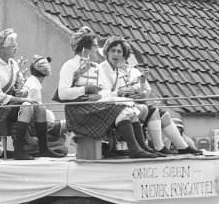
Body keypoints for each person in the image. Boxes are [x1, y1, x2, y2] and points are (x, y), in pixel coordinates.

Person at [57, 26, 157, 159]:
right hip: (79, 109)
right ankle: (134, 149)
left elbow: (104, 92)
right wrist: (85, 89)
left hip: (95, 105)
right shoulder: (69, 65)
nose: (96, 49)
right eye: (94, 46)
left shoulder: (95, 67)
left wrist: (118, 94)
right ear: (85, 48)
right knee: (123, 109)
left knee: (128, 105)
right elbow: (62, 94)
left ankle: (142, 148)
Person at [0, 28, 58, 159]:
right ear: (3, 48)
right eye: (12, 46)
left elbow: (22, 84)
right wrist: (21, 100)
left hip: (8, 104)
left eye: (15, 46)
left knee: (40, 108)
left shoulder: (13, 64)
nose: (16, 48)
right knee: (27, 106)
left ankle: (43, 149)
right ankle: (19, 150)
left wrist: (22, 91)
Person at [22, 55, 66, 156]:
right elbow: (34, 112)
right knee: (68, 125)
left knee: (65, 125)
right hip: (37, 125)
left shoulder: (32, 83)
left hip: (39, 122)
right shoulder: (34, 87)